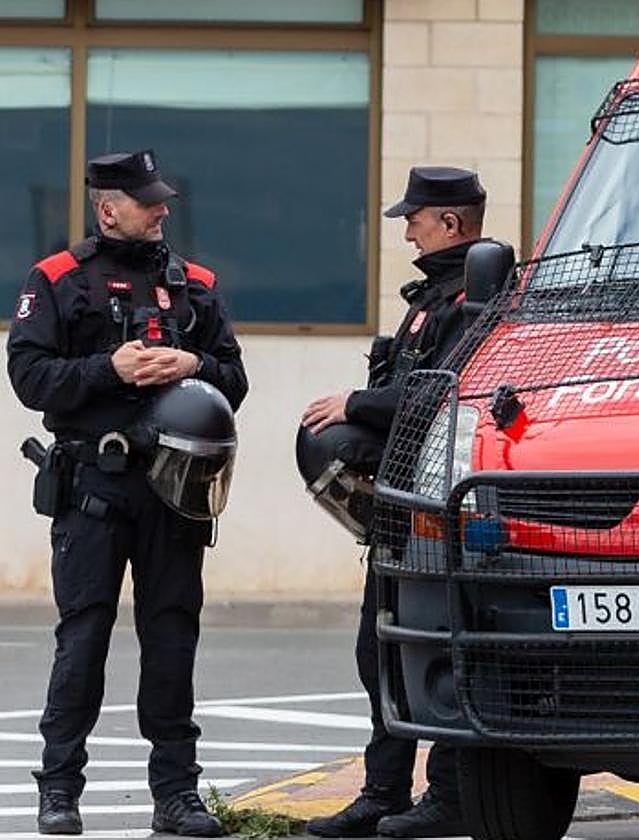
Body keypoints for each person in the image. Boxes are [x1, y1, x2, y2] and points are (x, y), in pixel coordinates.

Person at [7, 150, 249, 837]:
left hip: (174, 495)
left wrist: (193, 361)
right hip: (93, 490)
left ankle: (177, 794)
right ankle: (59, 789)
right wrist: (108, 368)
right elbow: (29, 379)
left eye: (163, 197)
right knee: (81, 641)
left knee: (172, 641)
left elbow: (234, 378)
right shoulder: (57, 280)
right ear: (108, 207)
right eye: (148, 200)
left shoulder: (195, 285)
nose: (163, 208)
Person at [302, 166, 489, 839]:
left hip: (444, 509)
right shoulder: (432, 296)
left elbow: (444, 391)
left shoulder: (478, 297)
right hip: (402, 504)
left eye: (416, 217)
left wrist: (354, 404)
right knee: (379, 651)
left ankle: (448, 795)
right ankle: (382, 792)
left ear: (452, 223)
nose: (407, 228)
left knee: (436, 648)